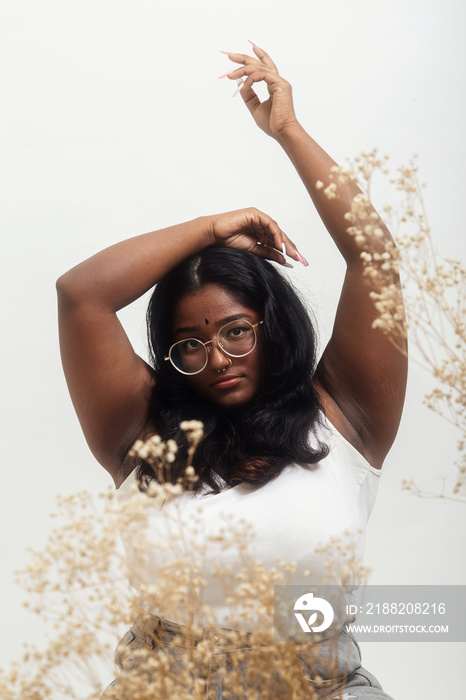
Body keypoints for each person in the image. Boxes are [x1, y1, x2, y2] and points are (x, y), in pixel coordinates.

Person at [57, 44, 407, 699]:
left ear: (270, 325)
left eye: (236, 332)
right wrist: (211, 228)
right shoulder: (142, 435)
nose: (216, 358)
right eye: (189, 343)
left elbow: (376, 262)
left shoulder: (345, 415)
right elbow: (82, 295)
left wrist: (289, 132)